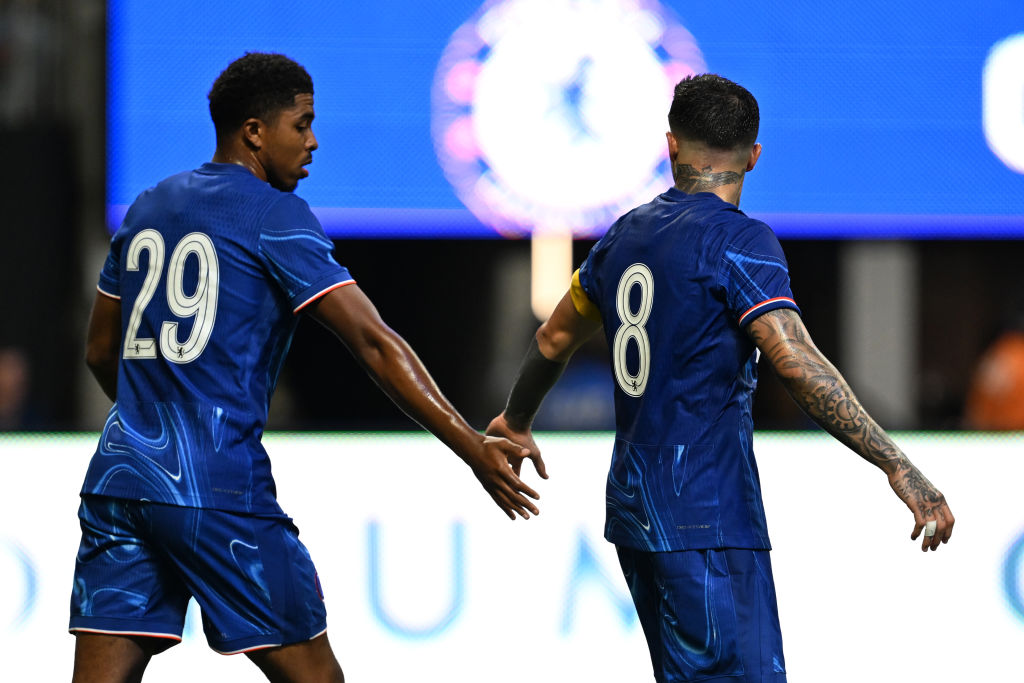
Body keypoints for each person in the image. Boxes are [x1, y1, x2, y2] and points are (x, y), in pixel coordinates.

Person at [71, 52, 543, 683]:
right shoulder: (273, 214)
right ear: (255, 132)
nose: (313, 141)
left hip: (119, 479)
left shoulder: (149, 206)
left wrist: (152, 414)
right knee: (316, 677)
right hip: (216, 487)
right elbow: (374, 342)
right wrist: (469, 445)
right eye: (303, 123)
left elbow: (100, 351)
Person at [487, 74, 954, 683]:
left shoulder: (624, 234)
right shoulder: (741, 241)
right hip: (706, 514)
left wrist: (515, 419)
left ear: (671, 145)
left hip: (635, 511)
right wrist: (896, 462)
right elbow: (793, 360)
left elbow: (553, 338)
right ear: (754, 156)